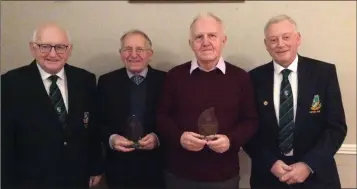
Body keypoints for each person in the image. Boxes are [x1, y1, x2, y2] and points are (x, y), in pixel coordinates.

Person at [243, 14, 347, 189]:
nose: (280, 44)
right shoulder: (253, 78)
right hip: (269, 178)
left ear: (298, 39)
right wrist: (271, 163)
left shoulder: (323, 73)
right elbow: (248, 128)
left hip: (317, 176)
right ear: (266, 45)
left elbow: (336, 127)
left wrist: (308, 165)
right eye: (273, 39)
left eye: (286, 37)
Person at [156, 12, 258, 189]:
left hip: (224, 176)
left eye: (212, 36)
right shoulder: (175, 76)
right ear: (191, 44)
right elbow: (161, 117)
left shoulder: (240, 77)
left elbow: (251, 121)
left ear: (223, 40)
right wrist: (179, 137)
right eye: (199, 37)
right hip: (180, 174)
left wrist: (231, 140)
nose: (206, 42)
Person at [1, 22, 103, 189]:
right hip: (29, 180)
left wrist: (95, 167)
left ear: (69, 49)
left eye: (60, 47)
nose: (53, 54)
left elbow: (92, 128)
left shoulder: (85, 80)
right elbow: (4, 140)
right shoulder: (10, 83)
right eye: (45, 47)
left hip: (76, 177)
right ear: (33, 48)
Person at [96, 29, 166, 189]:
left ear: (150, 53)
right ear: (121, 54)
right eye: (127, 49)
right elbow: (97, 121)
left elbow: (174, 118)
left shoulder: (166, 80)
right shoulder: (106, 82)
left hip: (156, 168)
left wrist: (158, 137)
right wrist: (111, 139)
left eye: (140, 49)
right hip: (118, 169)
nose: (133, 55)